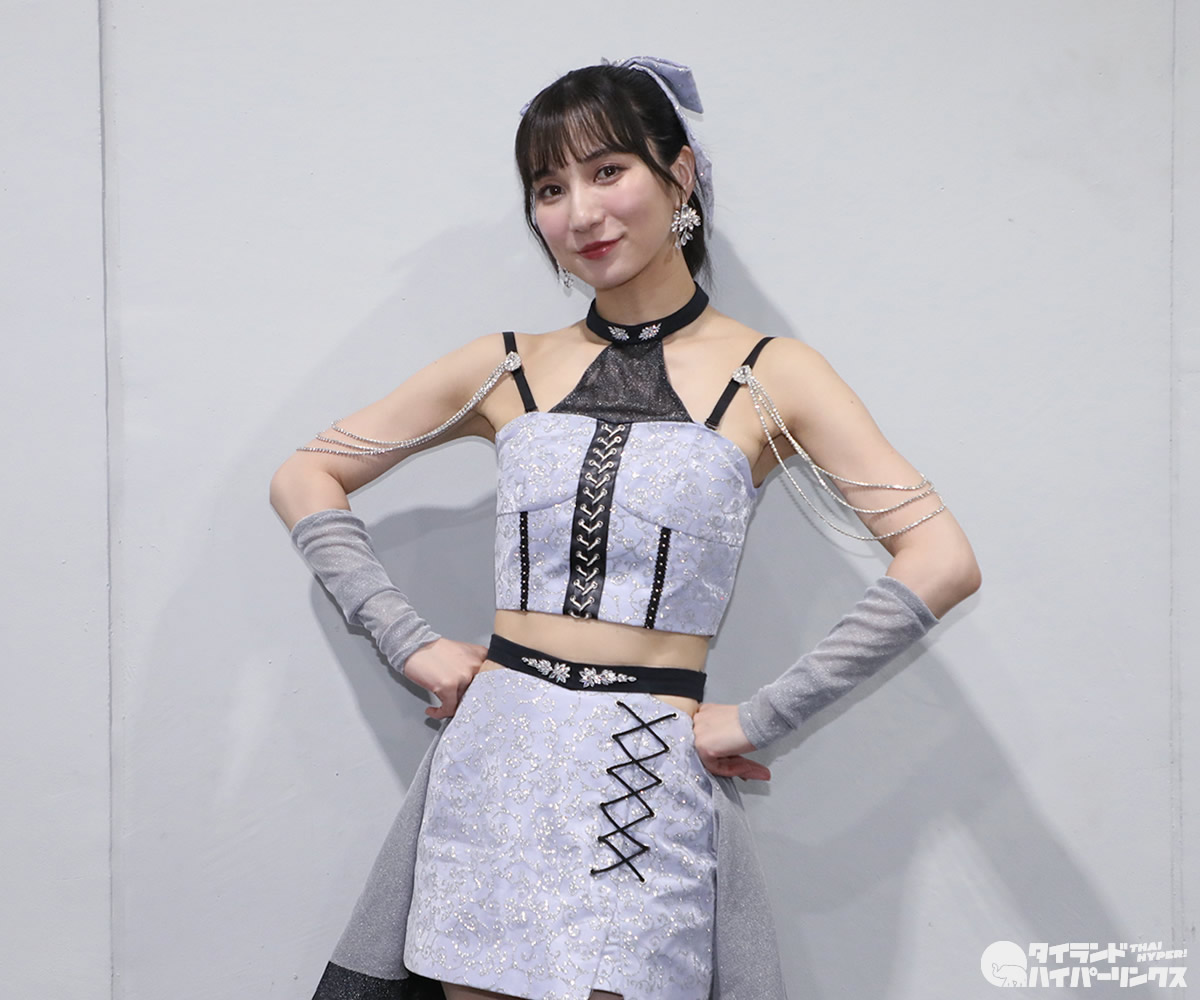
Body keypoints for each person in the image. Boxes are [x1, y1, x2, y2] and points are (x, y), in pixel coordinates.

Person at [270, 56, 981, 1000]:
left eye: (608, 171)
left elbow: (942, 559)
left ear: (678, 174)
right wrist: (408, 641)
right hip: (494, 763)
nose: (581, 212)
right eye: (550, 188)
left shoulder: (776, 375)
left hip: (642, 773)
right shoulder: (504, 366)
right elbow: (305, 475)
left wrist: (761, 717)